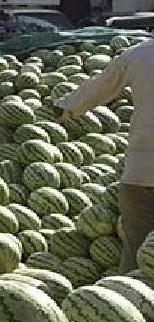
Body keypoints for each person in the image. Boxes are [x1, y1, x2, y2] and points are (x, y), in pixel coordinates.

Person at [55, 38, 154, 271]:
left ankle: (130, 298)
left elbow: (99, 87)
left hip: (140, 172)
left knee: (137, 253)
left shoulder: (139, 54)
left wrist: (64, 107)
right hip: (139, 171)